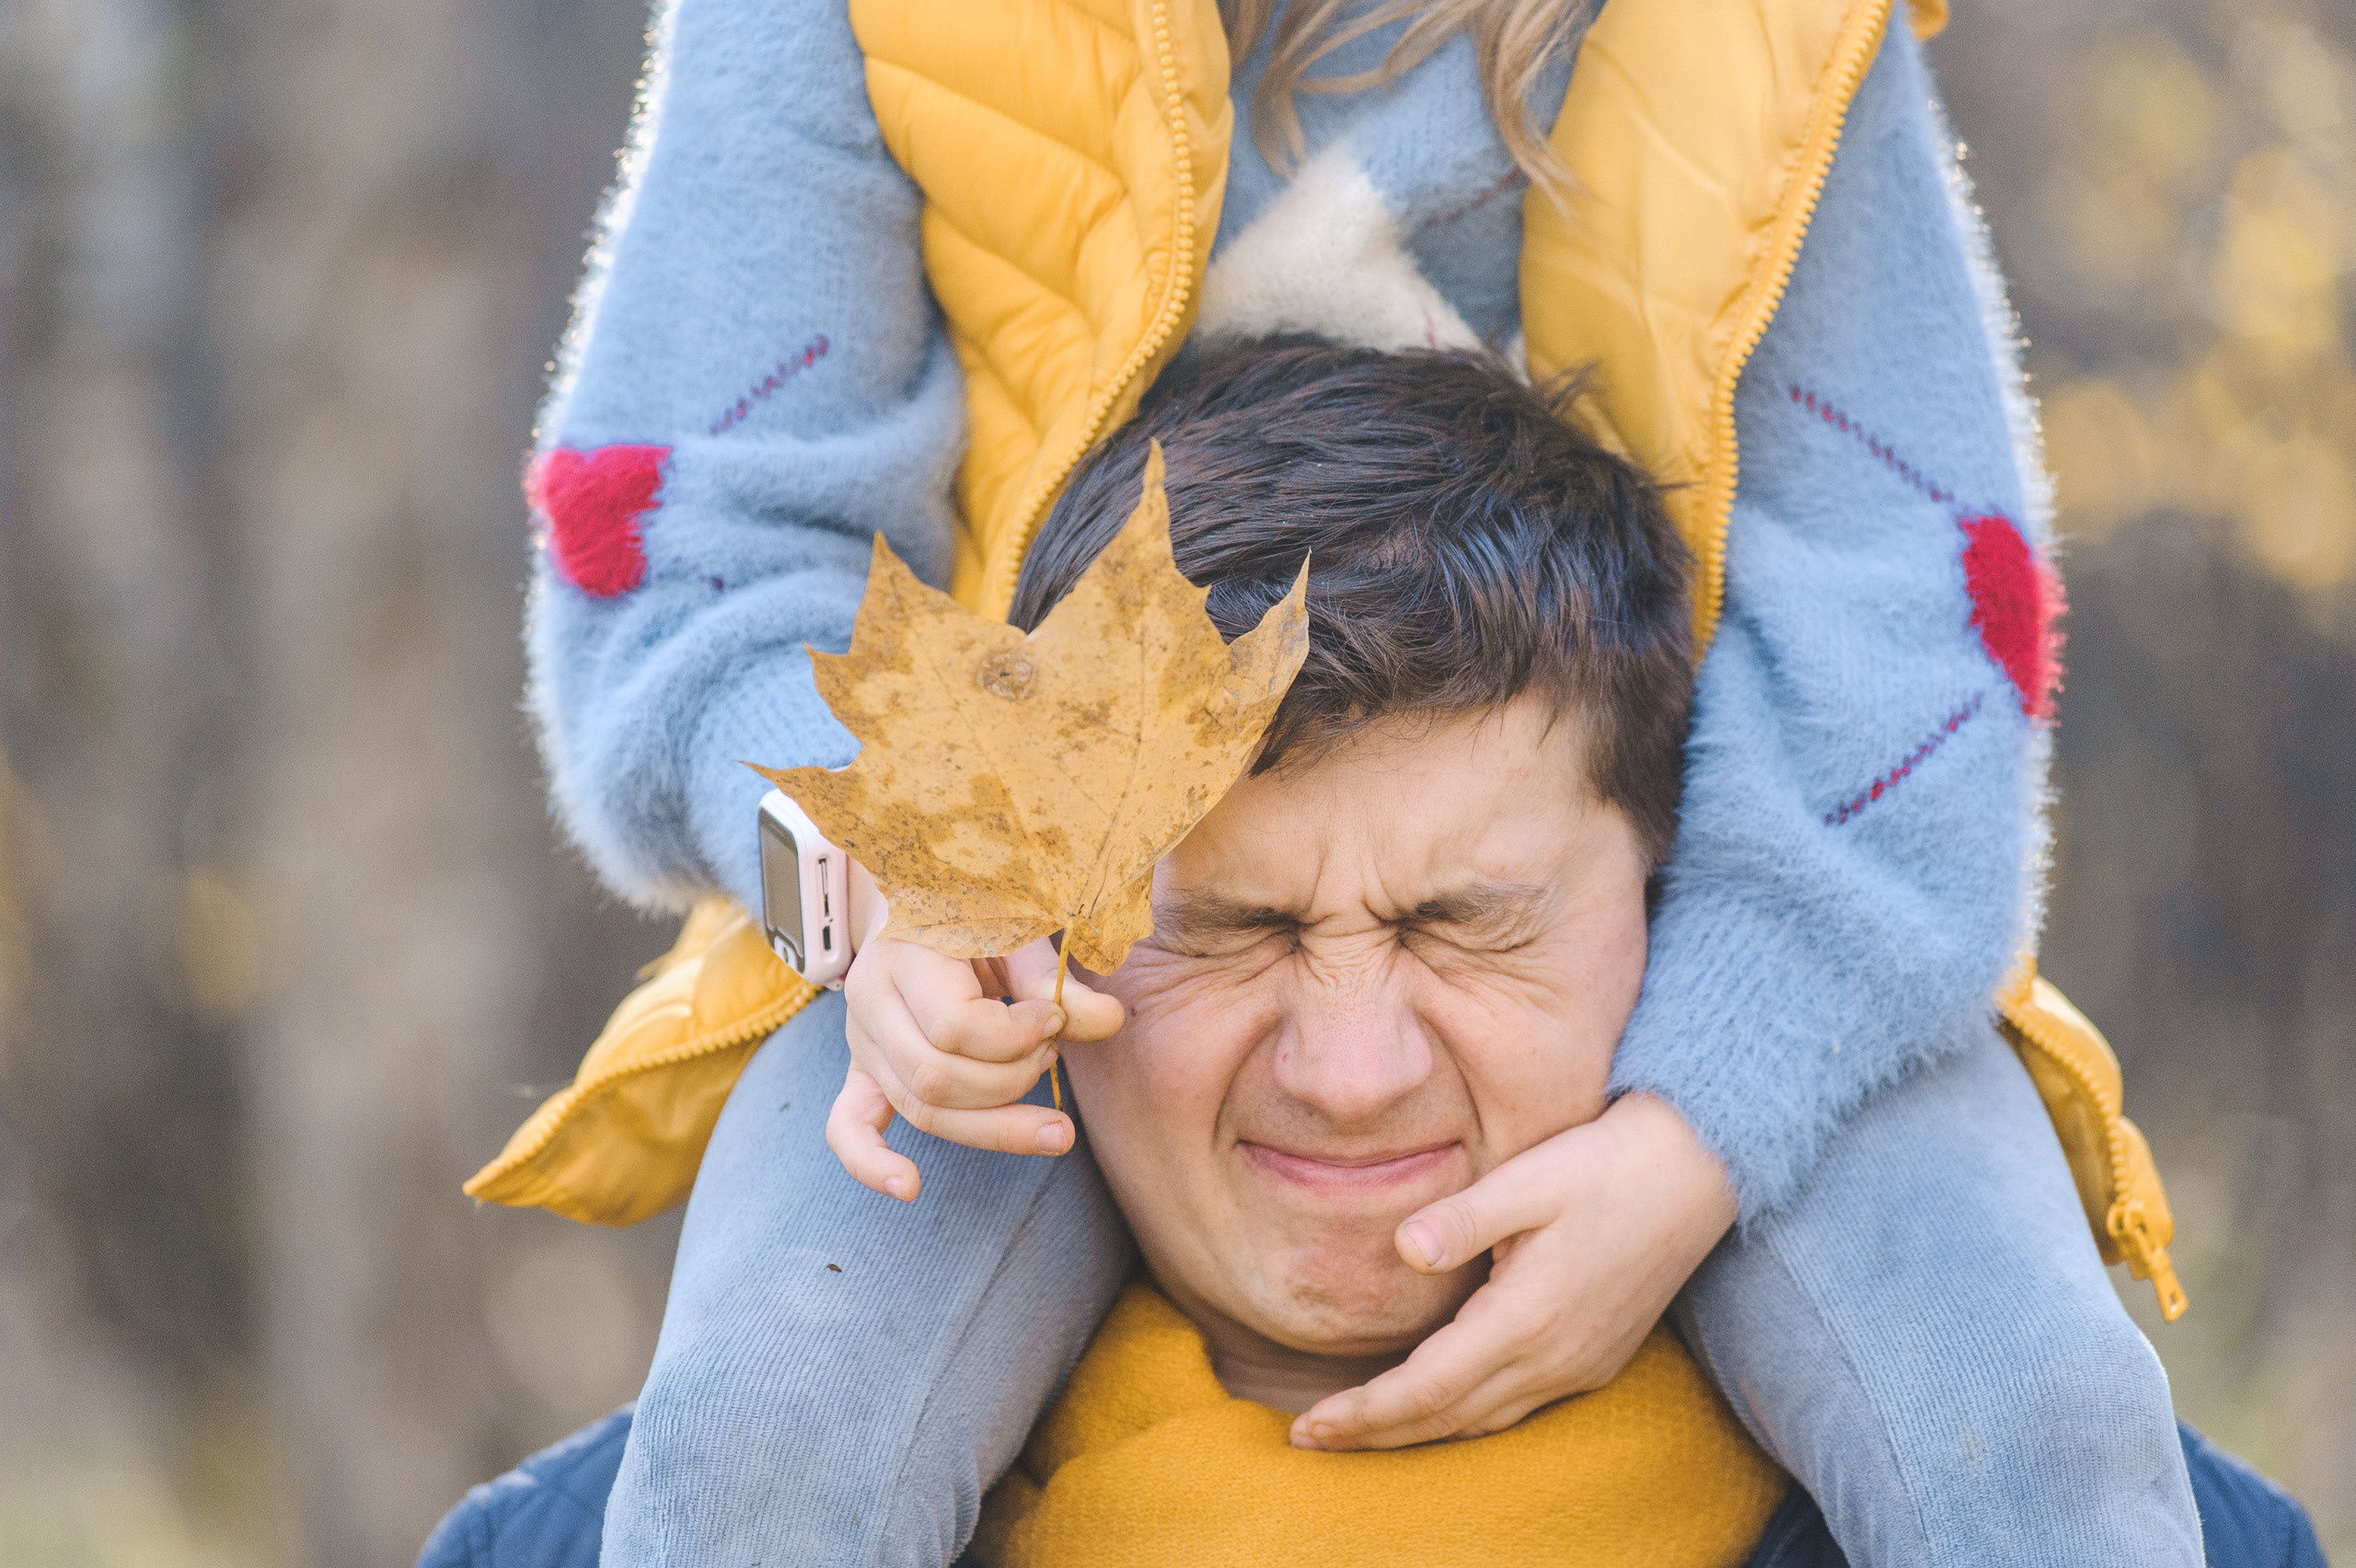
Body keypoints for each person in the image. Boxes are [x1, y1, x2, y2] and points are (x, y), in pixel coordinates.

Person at [495, 0, 2211, 1562]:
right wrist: (883, 898)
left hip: (1731, 933)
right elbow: (682, 556)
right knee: (770, 1432)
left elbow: (1921, 606)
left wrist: (1703, 1133)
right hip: (1003, 933)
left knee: (2035, 1416)